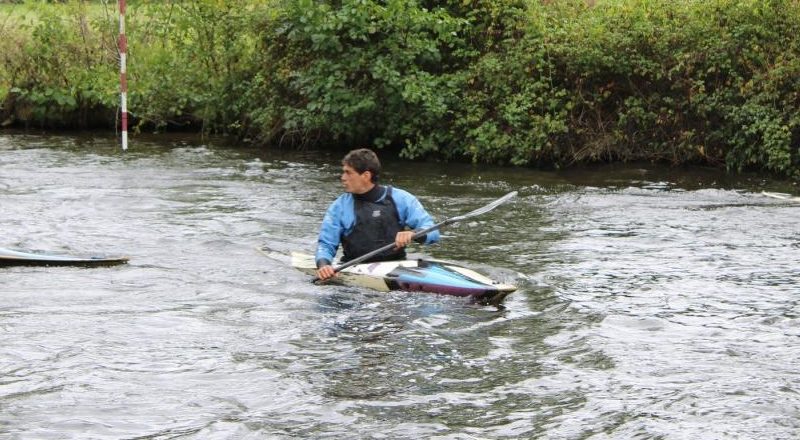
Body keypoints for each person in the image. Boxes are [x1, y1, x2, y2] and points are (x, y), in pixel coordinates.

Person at [315, 148, 440, 280]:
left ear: (366, 176)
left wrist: (414, 234)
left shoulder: (401, 199)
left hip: (396, 266)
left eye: (348, 173)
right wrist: (324, 265)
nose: (343, 178)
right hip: (355, 269)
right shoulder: (339, 207)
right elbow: (326, 244)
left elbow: (433, 232)